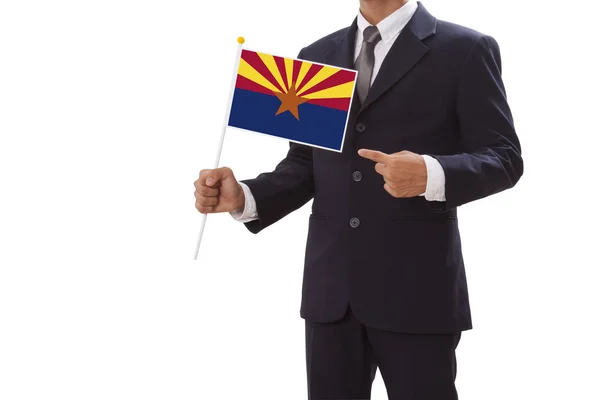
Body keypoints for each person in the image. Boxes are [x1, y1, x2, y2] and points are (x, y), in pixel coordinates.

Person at [193, 0, 523, 398]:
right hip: (331, 291)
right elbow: (304, 164)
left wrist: (431, 173)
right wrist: (244, 195)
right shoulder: (318, 56)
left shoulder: (465, 49)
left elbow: (504, 158)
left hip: (417, 289)